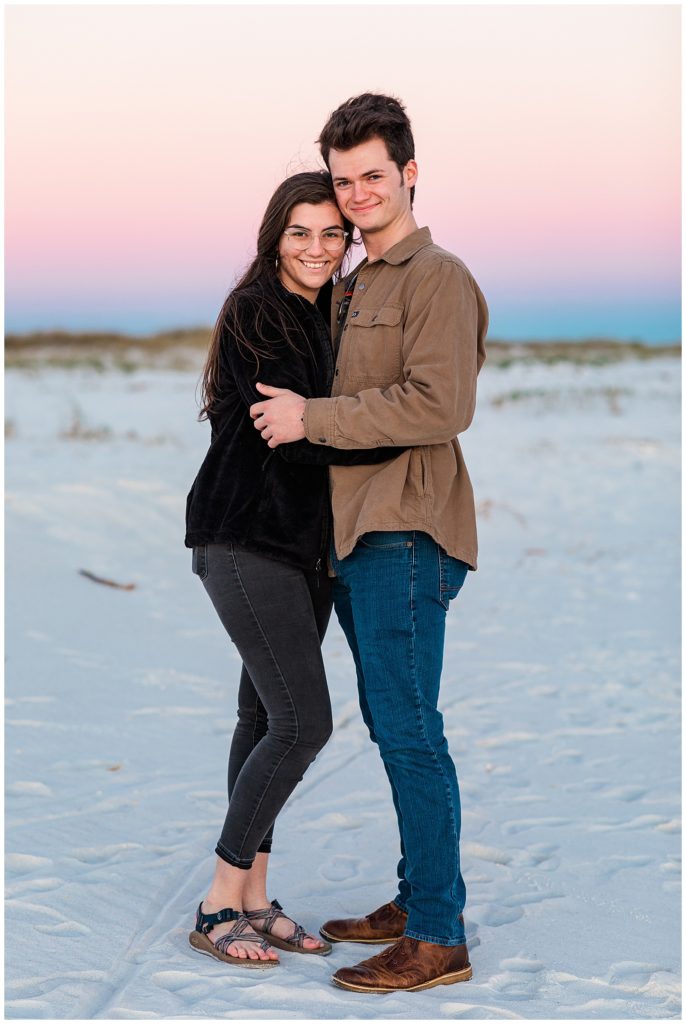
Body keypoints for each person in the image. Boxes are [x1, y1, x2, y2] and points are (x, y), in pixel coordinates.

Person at [249, 94, 488, 993]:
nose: (355, 196)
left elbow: (440, 405)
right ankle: (419, 894)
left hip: (408, 530)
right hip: (354, 535)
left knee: (409, 730)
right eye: (343, 181)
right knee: (394, 728)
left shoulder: (438, 278)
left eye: (372, 177)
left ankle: (437, 935)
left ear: (410, 174)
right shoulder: (354, 284)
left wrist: (313, 418)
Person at [184, 170, 401, 969]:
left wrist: (339, 418)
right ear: (276, 236)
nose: (316, 248)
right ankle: (217, 901)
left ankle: (254, 898)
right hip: (244, 539)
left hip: (303, 550)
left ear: (348, 241)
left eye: (331, 233)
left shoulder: (327, 316)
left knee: (261, 719)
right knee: (305, 723)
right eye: (299, 232)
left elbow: (320, 421)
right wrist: (392, 420)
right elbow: (295, 431)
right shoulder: (257, 312)